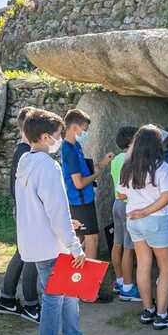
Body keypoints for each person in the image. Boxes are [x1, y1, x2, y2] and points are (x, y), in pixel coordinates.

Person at [15, 109, 107, 335]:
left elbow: (38, 207)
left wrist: (66, 224)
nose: (59, 139)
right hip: (50, 245)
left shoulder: (26, 161)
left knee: (67, 295)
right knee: (56, 298)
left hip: (36, 240)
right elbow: (56, 209)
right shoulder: (48, 166)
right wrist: (75, 246)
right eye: (57, 135)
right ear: (45, 137)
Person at [119, 124, 168, 330]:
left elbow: (121, 194)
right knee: (166, 267)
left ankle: (148, 310)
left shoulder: (128, 166)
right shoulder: (161, 167)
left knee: (143, 266)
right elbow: (167, 197)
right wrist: (146, 210)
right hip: (155, 220)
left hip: (133, 221)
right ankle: (162, 314)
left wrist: (138, 208)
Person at [0, 106, 40, 323]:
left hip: (23, 209)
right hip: (28, 210)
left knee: (23, 253)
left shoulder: (21, 150)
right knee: (32, 255)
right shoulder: (26, 153)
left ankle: (6, 299)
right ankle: (31, 305)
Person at [60, 109, 114, 265]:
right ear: (74, 127)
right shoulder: (68, 149)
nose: (86, 132)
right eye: (84, 129)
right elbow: (78, 183)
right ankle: (88, 285)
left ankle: (77, 280)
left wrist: (103, 162)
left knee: (82, 239)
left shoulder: (76, 146)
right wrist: (96, 177)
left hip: (84, 199)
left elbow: (84, 170)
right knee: (92, 239)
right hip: (79, 200)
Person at [110, 126, 141, 302]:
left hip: (117, 203)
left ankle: (120, 280)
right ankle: (128, 288)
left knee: (117, 244)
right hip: (129, 205)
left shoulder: (116, 159)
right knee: (129, 249)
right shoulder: (132, 159)